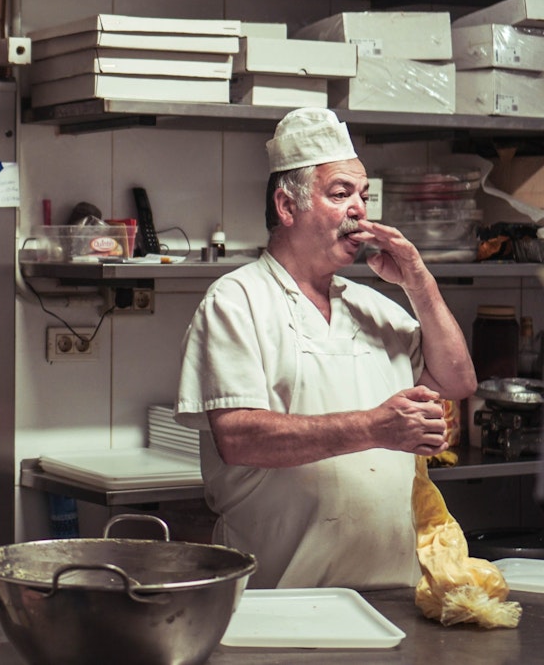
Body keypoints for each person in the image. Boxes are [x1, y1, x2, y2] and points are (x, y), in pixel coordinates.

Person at [175, 108, 477, 590]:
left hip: (393, 592)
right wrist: (375, 427)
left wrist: (419, 282)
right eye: (340, 194)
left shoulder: (373, 307)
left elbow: (458, 382)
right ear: (287, 206)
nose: (359, 209)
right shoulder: (237, 301)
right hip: (278, 598)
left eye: (363, 195)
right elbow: (238, 437)